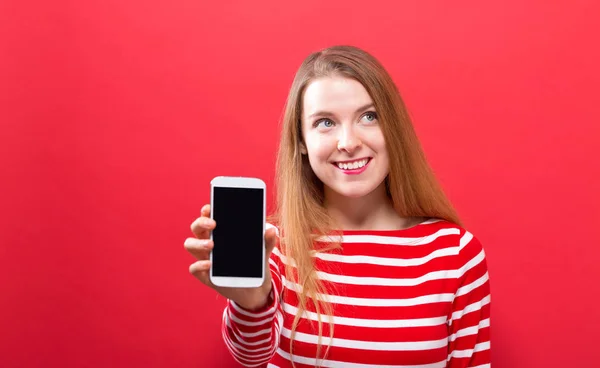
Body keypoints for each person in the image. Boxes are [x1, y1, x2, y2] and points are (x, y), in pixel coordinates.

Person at [185, 45, 491, 367]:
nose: (348, 142)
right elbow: (251, 355)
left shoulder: (455, 254)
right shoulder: (276, 248)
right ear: (301, 141)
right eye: (325, 123)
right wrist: (251, 301)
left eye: (369, 117)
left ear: (394, 129)